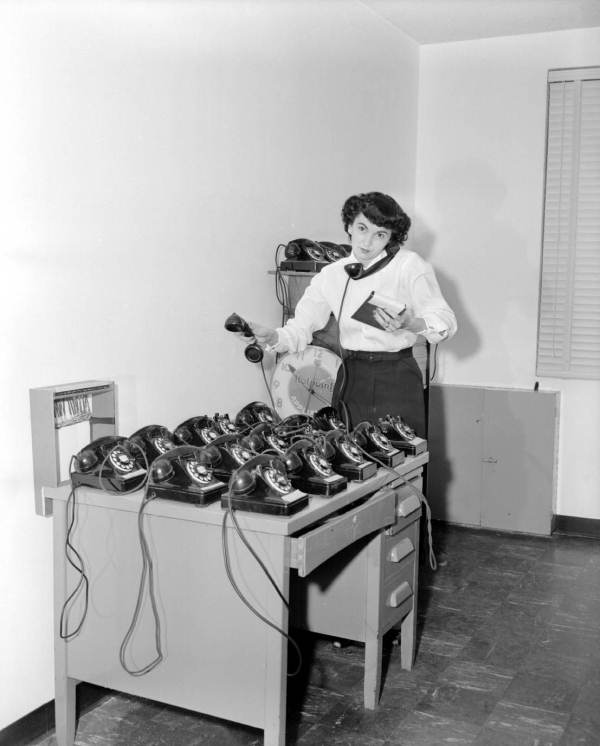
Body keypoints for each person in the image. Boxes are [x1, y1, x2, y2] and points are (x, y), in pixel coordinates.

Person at [249, 192, 457, 436]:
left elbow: (446, 322)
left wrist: (412, 323)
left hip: (397, 375)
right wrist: (273, 337)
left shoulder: (409, 266)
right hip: (351, 375)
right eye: (362, 228)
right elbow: (300, 328)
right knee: (350, 458)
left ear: (391, 238)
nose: (367, 242)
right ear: (349, 226)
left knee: (403, 461)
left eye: (380, 234)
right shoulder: (331, 275)